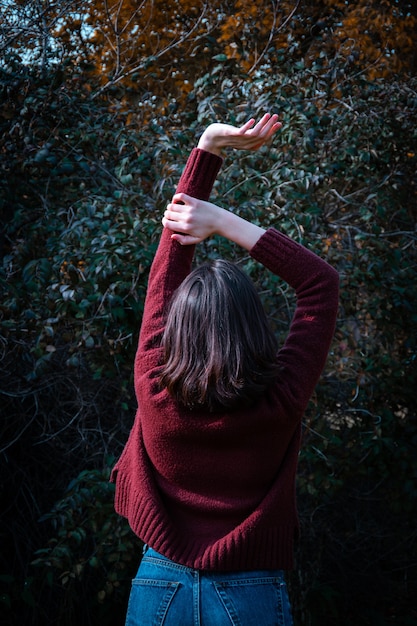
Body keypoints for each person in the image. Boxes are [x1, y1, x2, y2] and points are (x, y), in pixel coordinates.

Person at [110, 113, 339, 625]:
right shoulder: (281, 397)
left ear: (176, 329)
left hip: (160, 584)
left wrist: (208, 146)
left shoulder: (154, 382)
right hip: (251, 588)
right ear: (254, 326)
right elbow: (320, 285)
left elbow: (168, 265)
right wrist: (224, 223)